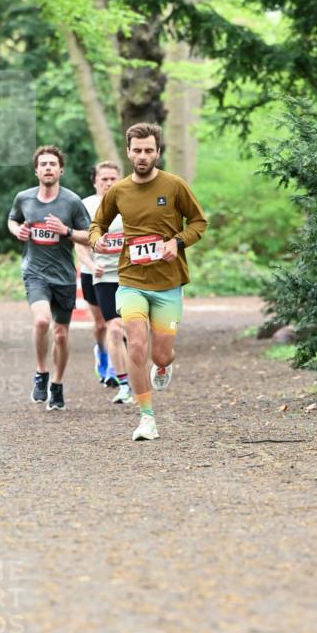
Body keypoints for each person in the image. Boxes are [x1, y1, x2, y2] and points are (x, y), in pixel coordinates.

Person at [89, 122, 207, 440]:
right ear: (128, 152)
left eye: (148, 150)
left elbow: (199, 221)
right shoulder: (119, 190)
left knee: (161, 354)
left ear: (158, 152)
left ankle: (164, 365)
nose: (142, 156)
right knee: (137, 345)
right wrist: (97, 238)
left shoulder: (174, 186)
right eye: (137, 150)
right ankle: (146, 418)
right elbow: (97, 223)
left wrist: (177, 242)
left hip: (168, 282)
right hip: (130, 279)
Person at [8, 145, 90, 411]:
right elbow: (12, 220)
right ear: (36, 171)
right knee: (42, 320)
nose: (48, 168)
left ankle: (57, 383)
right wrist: (17, 231)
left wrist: (65, 230)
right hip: (35, 273)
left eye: (52, 164)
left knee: (62, 335)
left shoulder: (72, 202)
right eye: (43, 164)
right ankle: (41, 373)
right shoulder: (24, 198)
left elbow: (89, 236)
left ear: (60, 170)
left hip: (64, 277)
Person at [76, 161, 132, 404]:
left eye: (113, 179)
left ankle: (120, 374)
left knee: (119, 326)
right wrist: (90, 265)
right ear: (95, 181)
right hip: (96, 274)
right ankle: (103, 355)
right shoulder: (86, 206)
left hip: (126, 274)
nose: (108, 183)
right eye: (104, 179)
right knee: (101, 325)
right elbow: (80, 243)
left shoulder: (129, 202)